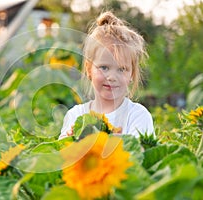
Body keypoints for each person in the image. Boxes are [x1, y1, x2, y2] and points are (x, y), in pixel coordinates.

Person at [59, 11, 154, 140]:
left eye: (121, 69)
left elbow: (139, 152)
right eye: (104, 68)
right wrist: (68, 140)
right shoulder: (76, 115)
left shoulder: (137, 115)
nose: (112, 77)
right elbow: (62, 156)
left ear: (131, 74)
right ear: (89, 69)